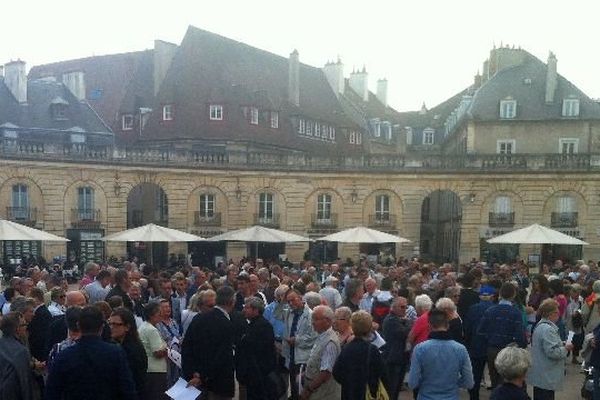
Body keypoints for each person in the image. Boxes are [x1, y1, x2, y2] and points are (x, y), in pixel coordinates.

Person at [45, 305, 138, 400]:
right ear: (102, 327)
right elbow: (128, 389)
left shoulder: (64, 355)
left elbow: (52, 391)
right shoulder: (115, 353)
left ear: (78, 326)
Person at [182, 285, 237, 400]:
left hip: (196, 378)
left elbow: (187, 347)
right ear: (232, 301)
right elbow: (221, 356)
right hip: (218, 382)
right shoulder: (225, 323)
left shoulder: (198, 318)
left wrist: (192, 372)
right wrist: (203, 375)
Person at [408, 308, 474, 400]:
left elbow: (412, 383)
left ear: (429, 326)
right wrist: (454, 383)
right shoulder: (460, 349)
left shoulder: (420, 349)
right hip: (451, 396)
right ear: (447, 325)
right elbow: (469, 383)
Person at [478, 282, 527, 389]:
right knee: (509, 382)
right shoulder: (516, 313)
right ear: (513, 295)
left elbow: (481, 331)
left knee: (495, 382)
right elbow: (520, 336)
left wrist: (490, 340)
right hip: (509, 351)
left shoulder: (490, 310)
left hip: (492, 349)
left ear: (500, 293)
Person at [333, 310, 386, 400]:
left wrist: (348, 383)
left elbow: (336, 372)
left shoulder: (347, 348)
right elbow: (382, 373)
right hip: (368, 393)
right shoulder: (372, 349)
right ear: (369, 328)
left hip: (349, 393)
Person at [527, 298, 572, 400]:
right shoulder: (548, 329)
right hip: (546, 375)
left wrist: (561, 344)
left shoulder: (540, 326)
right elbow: (552, 352)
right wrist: (565, 348)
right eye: (557, 312)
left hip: (541, 375)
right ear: (551, 314)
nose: (558, 315)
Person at [237, 297, 277, 400]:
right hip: (253, 374)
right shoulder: (252, 324)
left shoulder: (262, 326)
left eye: (247, 308)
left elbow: (260, 351)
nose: (244, 310)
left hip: (259, 375)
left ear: (256, 310)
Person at [300, 305, 341, 399]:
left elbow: (325, 373)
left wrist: (308, 390)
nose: (313, 323)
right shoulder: (322, 336)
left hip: (324, 394)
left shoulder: (330, 342)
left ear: (327, 321)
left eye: (316, 319)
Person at [283, 288, 317, 400]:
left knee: (301, 390)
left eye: (293, 300)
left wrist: (296, 340)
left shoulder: (311, 315)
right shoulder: (288, 313)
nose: (291, 303)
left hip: (303, 359)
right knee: (293, 389)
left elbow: (313, 337)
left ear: (301, 298)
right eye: (288, 301)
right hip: (291, 356)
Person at [110, 307, 148, 397]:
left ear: (127, 327)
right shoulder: (122, 346)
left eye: (116, 324)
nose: (111, 327)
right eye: (110, 323)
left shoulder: (131, 350)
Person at [381, 296, 412, 399]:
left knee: (396, 389)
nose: (405, 309)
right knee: (392, 390)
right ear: (393, 307)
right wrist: (410, 323)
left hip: (400, 359)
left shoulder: (398, 319)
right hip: (393, 360)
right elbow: (403, 333)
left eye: (406, 307)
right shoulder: (391, 320)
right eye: (402, 307)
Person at [138, 302, 169, 400]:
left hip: (148, 368)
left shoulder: (143, 326)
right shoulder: (152, 330)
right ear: (152, 314)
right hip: (156, 370)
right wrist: (167, 350)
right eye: (158, 312)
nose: (161, 314)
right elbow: (157, 352)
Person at [0, 311, 33, 400]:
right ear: (17, 329)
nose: (26, 327)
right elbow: (24, 384)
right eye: (24, 324)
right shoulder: (21, 351)